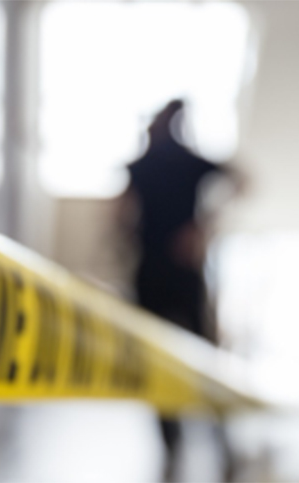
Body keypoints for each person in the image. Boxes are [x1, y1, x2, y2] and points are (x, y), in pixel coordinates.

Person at [118, 99, 240, 481]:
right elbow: (123, 214)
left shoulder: (179, 162)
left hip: (172, 276)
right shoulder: (154, 164)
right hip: (160, 275)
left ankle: (211, 442)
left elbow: (243, 180)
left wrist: (204, 227)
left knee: (195, 360)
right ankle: (184, 445)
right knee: (170, 362)